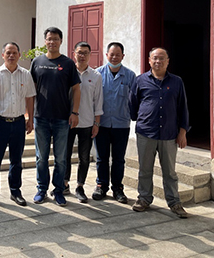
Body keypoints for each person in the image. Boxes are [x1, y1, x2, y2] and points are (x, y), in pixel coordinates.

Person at [129, 47, 190, 218]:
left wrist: (182, 132)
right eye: (155, 58)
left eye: (162, 58)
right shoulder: (140, 80)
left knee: (170, 172)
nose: (158, 61)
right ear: (149, 60)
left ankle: (174, 202)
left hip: (169, 134)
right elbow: (132, 103)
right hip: (146, 133)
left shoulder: (176, 82)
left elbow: (183, 108)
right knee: (145, 169)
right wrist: (142, 118)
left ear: (168, 61)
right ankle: (144, 199)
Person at [30, 27, 81, 206]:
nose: (52, 42)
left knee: (60, 158)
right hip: (41, 117)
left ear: (61, 41)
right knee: (41, 158)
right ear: (45, 41)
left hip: (62, 118)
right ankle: (41, 189)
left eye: (56, 39)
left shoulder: (68, 63)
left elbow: (76, 89)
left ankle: (58, 190)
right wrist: (29, 115)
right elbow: (31, 90)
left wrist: (74, 112)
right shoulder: (37, 62)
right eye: (49, 39)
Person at [0, 42, 36, 208]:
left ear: (19, 55)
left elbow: (30, 98)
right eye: (8, 53)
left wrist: (30, 119)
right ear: (3, 55)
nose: (11, 55)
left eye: (14, 52)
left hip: (19, 123)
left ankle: (15, 191)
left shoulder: (26, 74)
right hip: (0, 123)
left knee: (16, 160)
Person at [93, 42, 136, 204]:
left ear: (123, 56)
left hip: (121, 125)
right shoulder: (98, 74)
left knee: (119, 159)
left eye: (118, 55)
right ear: (107, 55)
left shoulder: (130, 76)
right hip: (101, 124)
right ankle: (101, 186)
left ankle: (117, 188)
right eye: (112, 54)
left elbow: (135, 100)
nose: (114, 57)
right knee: (101, 158)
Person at [64, 42, 103, 203]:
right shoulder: (67, 72)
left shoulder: (96, 76)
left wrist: (96, 123)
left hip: (87, 122)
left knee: (84, 157)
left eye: (86, 53)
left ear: (90, 55)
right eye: (79, 52)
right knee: (65, 155)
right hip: (67, 122)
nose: (82, 56)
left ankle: (80, 186)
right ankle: (64, 184)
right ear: (74, 54)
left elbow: (98, 101)